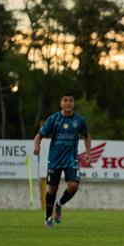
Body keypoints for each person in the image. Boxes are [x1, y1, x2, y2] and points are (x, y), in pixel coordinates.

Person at [33, 92, 91, 228]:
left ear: (73, 103)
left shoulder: (79, 120)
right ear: (61, 103)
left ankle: (59, 204)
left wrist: (89, 153)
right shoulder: (54, 119)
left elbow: (87, 135)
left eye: (71, 100)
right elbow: (39, 135)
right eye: (65, 100)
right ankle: (48, 218)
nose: (68, 103)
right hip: (55, 159)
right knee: (52, 189)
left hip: (71, 159)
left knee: (74, 186)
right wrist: (36, 146)